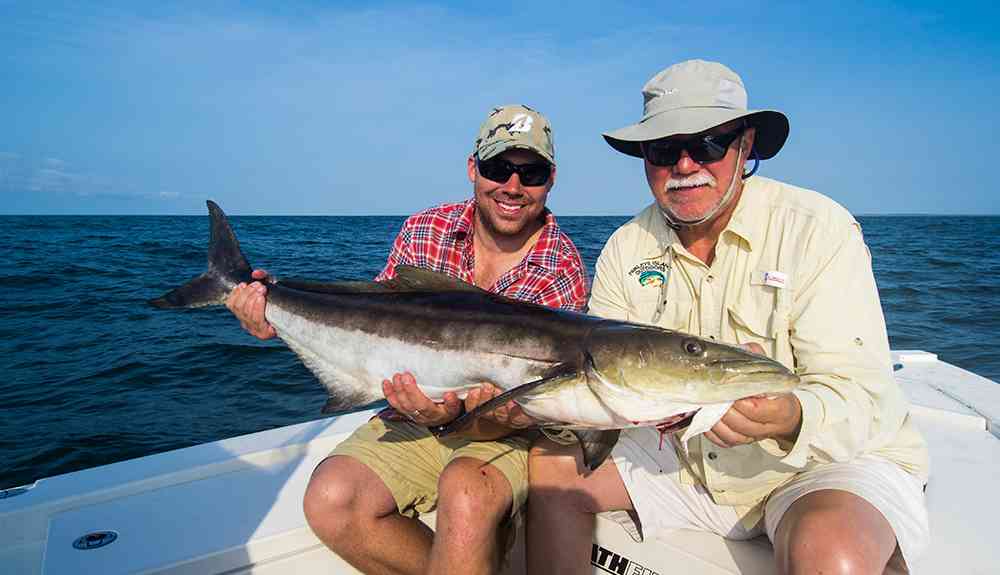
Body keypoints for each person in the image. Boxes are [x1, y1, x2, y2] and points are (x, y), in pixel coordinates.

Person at [526, 60, 930, 574]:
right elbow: (604, 387)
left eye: (710, 143)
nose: (686, 164)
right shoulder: (626, 248)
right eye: (664, 149)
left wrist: (789, 416)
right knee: (550, 472)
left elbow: (861, 395)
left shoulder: (818, 229)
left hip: (818, 464)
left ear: (746, 145)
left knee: (832, 551)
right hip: (684, 458)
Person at [225, 104, 588, 575]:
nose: (513, 188)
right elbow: (370, 325)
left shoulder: (562, 265)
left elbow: (538, 408)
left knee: (466, 492)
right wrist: (269, 310)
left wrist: (460, 412)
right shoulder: (424, 229)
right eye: (498, 168)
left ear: (551, 179)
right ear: (473, 168)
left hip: (507, 429)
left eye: (531, 173)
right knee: (331, 499)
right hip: (410, 410)